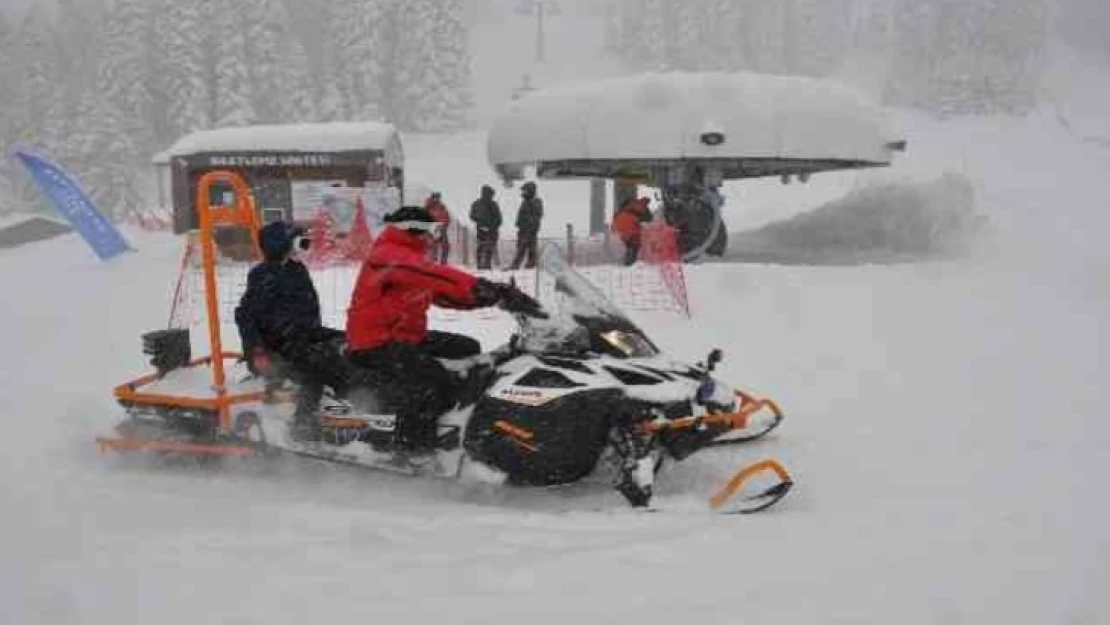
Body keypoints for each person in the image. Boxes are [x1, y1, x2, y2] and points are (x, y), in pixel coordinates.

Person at [345, 206, 544, 454]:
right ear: (415, 230)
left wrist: (492, 297)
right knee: (429, 381)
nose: (435, 237)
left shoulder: (408, 259)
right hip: (374, 343)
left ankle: (453, 419)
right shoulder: (388, 255)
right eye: (434, 230)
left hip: (405, 337)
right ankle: (411, 450)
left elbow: (445, 295)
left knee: (466, 347)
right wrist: (482, 286)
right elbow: (436, 276)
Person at [235, 221, 350, 441]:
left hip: (304, 334)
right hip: (278, 345)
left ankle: (349, 402)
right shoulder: (263, 274)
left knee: (348, 343)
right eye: (299, 241)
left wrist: (323, 335)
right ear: (281, 244)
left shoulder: (296, 270)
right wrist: (257, 351)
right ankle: (303, 427)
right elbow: (245, 316)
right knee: (315, 369)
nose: (303, 247)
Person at [508, 181, 543, 269]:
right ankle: (529, 265)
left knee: (524, 248)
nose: (523, 192)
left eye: (525, 190)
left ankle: (517, 265)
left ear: (530, 191)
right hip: (523, 228)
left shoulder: (536, 201)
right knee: (525, 247)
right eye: (523, 191)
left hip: (529, 229)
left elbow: (537, 215)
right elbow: (522, 214)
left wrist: (530, 226)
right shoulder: (526, 201)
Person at [611, 196, 653, 266]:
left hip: (618, 225)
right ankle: (631, 262)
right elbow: (649, 218)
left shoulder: (629, 203)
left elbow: (616, 215)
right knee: (636, 243)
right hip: (629, 225)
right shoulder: (640, 207)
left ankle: (627, 258)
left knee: (628, 243)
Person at [469, 185, 501, 270]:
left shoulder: (492, 204)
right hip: (483, 229)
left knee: (486, 246)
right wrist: (480, 221)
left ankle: (485, 264)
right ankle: (482, 264)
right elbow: (472, 215)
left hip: (489, 229)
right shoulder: (479, 203)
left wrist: (491, 226)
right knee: (483, 246)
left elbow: (499, 218)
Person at [424, 191, 451, 264]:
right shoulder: (428, 207)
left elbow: (447, 217)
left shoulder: (442, 206)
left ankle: (443, 263)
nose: (438, 199)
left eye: (439, 197)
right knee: (433, 246)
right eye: (436, 197)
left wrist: (445, 225)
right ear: (433, 197)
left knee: (445, 246)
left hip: (442, 229)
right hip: (432, 229)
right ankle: (432, 262)